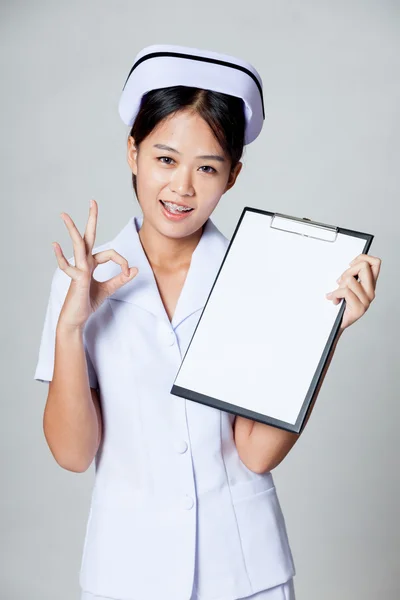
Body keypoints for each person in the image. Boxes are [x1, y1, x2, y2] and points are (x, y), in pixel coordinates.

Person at [34, 44, 381, 600]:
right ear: (133, 152)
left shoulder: (261, 275)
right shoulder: (80, 280)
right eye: (165, 159)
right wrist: (71, 326)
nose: (183, 188)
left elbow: (255, 453)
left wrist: (322, 331)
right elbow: (74, 455)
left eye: (208, 168)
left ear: (233, 175)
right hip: (127, 573)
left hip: (244, 574)